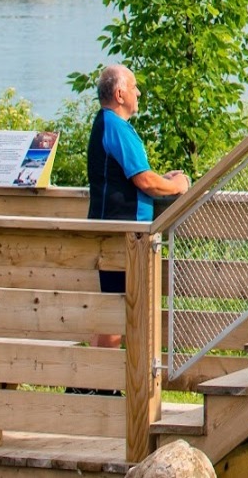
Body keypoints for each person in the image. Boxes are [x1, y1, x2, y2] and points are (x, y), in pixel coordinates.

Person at [87, 64, 190, 348]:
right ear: (120, 94)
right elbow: (145, 181)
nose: (139, 92)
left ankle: (88, 385)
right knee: (118, 315)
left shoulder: (107, 124)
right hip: (123, 235)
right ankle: (98, 387)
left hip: (116, 232)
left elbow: (135, 175)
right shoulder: (116, 127)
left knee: (114, 312)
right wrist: (178, 186)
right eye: (134, 87)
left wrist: (163, 178)